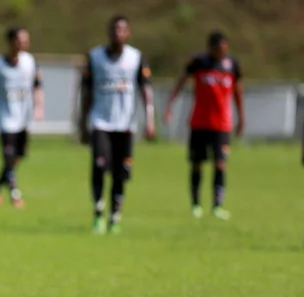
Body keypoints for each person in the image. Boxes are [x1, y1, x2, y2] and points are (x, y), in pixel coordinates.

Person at [79, 15, 155, 234]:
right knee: (100, 167)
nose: (118, 34)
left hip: (126, 124)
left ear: (128, 33)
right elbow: (86, 92)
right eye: (115, 30)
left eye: (122, 30)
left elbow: (145, 90)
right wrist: (82, 124)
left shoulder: (136, 57)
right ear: (109, 32)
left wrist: (150, 118)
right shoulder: (95, 57)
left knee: (121, 173)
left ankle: (115, 215)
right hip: (100, 121)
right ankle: (98, 212)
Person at [163, 31, 244, 220]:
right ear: (210, 47)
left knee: (220, 164)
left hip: (222, 124)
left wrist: (242, 118)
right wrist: (169, 105)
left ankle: (217, 205)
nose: (222, 51)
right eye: (218, 48)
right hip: (199, 122)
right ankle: (196, 204)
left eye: (225, 47)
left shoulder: (232, 65)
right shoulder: (199, 62)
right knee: (197, 164)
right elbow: (181, 82)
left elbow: (238, 92)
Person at [0, 26, 44, 208]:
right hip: (4, 117)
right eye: (20, 40)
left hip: (23, 117)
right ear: (11, 41)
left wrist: (38, 107)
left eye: (26, 40)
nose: (23, 43)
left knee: (17, 157)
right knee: (8, 156)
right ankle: (15, 195)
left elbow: (37, 85)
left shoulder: (30, 61)